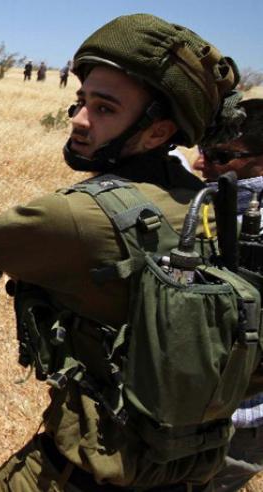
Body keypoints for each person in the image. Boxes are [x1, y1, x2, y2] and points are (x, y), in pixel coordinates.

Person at [0, 14, 254, 490]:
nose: (78, 119)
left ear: (158, 132)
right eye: (81, 101)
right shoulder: (202, 202)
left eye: (104, 108)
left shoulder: (82, 215)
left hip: (84, 471)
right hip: (181, 469)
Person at [194, 98, 263, 492]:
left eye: (220, 156)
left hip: (242, 423)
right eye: (203, 151)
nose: (201, 164)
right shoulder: (204, 208)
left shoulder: (236, 217)